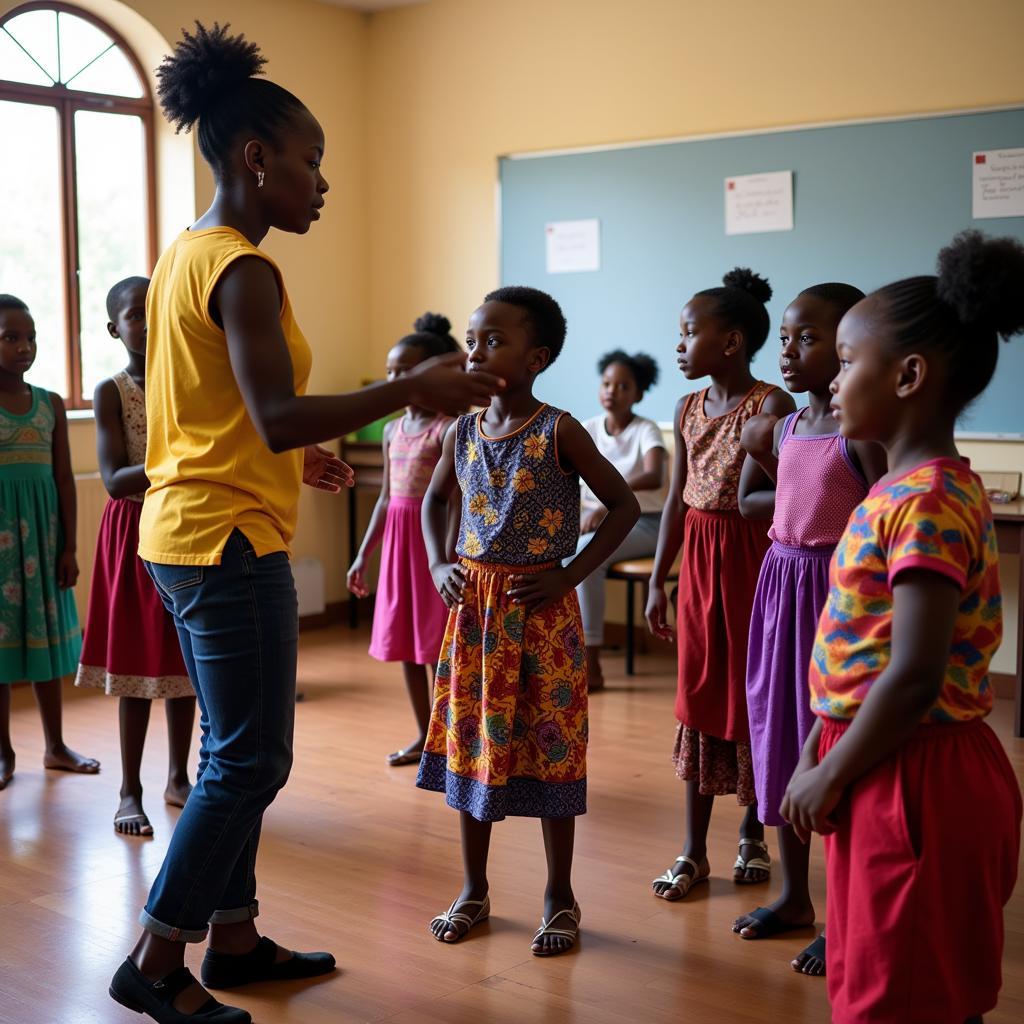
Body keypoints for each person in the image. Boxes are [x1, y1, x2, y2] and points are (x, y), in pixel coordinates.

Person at [108, 24, 500, 1024]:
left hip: (185, 526)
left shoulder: (184, 256)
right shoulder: (243, 268)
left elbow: (220, 412)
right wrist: (405, 384)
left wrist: (288, 454)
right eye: (310, 160)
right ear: (255, 159)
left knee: (231, 752)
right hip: (228, 543)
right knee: (251, 759)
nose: (320, 182)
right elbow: (273, 409)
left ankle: (232, 938)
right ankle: (156, 960)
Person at [782, 230, 1024, 1024]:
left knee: (910, 992)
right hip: (882, 760)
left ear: (910, 376)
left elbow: (916, 673)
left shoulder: (924, 500)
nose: (836, 377)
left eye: (849, 361)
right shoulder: (899, 490)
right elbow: (871, 646)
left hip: (918, 776)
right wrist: (828, 744)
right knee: (889, 978)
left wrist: (832, 768)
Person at [416, 286, 640, 956]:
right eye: (473, 338)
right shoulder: (462, 428)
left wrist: (570, 574)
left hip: (541, 615)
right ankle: (474, 887)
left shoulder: (559, 428)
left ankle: (559, 894)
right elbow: (434, 504)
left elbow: (623, 507)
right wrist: (436, 565)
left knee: (552, 747)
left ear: (536, 357)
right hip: (475, 613)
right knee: (472, 744)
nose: (477, 350)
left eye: (494, 340)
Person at [731, 283, 885, 976]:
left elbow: (883, 514)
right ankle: (795, 898)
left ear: (850, 349)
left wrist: (829, 525)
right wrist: (791, 511)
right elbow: (751, 501)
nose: (790, 352)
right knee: (782, 738)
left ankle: (846, 916)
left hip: (838, 594)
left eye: (809, 340)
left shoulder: (865, 435)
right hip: (781, 585)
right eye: (786, 339)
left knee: (834, 748)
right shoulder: (782, 427)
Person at [646, 269, 794, 901]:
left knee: (751, 695)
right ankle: (692, 850)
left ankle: (754, 834)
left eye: (688, 333)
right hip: (701, 563)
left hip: (754, 561)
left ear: (731, 342)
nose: (678, 345)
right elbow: (679, 501)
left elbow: (791, 497)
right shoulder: (685, 408)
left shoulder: (772, 406)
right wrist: (659, 580)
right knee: (699, 694)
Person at [75, 277, 197, 837]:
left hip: (189, 529)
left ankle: (179, 777)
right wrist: (179, 466)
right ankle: (130, 789)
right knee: (134, 666)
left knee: (184, 662)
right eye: (134, 315)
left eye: (155, 311)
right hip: (133, 534)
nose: (147, 323)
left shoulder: (191, 382)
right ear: (113, 328)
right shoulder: (112, 390)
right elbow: (114, 479)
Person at [347, 313, 458, 766]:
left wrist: (447, 555)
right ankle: (424, 735)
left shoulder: (449, 427)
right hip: (397, 542)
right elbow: (386, 498)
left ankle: (451, 737)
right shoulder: (393, 430)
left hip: (432, 546)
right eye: (389, 371)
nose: (393, 380)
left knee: (436, 645)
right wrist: (363, 555)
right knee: (407, 645)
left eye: (404, 372)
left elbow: (455, 500)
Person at [0, 293, 99, 790]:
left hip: (42, 544)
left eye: (30, 337)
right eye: (10, 337)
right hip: (1, 550)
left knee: (44, 646)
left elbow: (63, 479)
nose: (24, 347)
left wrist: (68, 548)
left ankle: (55, 746)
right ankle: (3, 753)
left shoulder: (51, 404)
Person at [572, 349, 667, 692]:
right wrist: (586, 511)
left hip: (647, 523)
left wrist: (607, 504)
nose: (613, 391)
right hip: (595, 520)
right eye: (607, 383)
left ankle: (591, 665)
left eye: (623, 386)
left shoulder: (647, 430)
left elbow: (654, 476)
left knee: (585, 556)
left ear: (638, 394)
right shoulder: (587, 428)